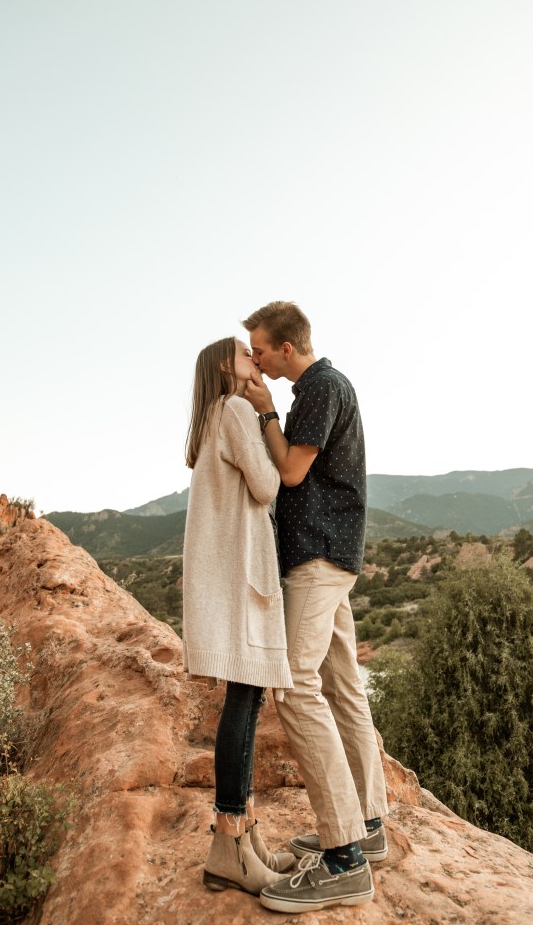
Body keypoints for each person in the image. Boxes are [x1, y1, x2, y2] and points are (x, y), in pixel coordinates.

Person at [241, 301, 389, 914]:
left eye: (259, 349)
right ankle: (368, 825)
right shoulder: (327, 385)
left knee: (296, 686)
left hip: (318, 555)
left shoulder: (320, 387)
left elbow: (293, 472)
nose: (254, 358)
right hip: (334, 554)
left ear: (286, 348)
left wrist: (264, 411)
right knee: (342, 685)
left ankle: (344, 857)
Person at [182, 336, 295, 896]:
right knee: (243, 704)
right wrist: (263, 412)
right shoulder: (233, 410)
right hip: (239, 587)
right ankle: (228, 840)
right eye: (243, 353)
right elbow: (269, 484)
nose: (254, 357)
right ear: (225, 368)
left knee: (245, 702)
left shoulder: (212, 415)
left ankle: (245, 834)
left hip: (227, 584)